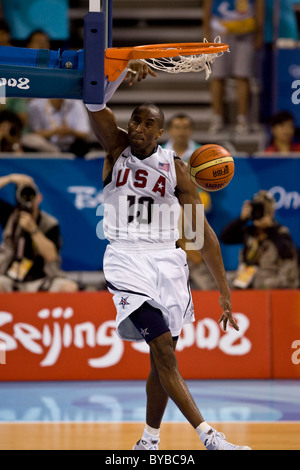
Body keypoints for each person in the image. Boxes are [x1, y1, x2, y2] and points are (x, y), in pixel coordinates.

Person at [86, 60, 251, 450]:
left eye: (147, 125)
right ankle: (209, 436)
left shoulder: (177, 171)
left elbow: (201, 234)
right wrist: (122, 70)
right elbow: (94, 101)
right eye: (135, 121)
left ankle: (149, 440)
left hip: (167, 261)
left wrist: (223, 288)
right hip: (126, 260)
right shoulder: (116, 148)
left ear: (161, 134)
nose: (139, 129)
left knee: (163, 360)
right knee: (161, 348)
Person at [0, 173, 78, 292]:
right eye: (24, 194)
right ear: (18, 197)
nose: (28, 198)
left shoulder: (50, 223)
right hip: (10, 279)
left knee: (69, 287)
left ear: (39, 197)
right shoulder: (10, 216)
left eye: (31, 193)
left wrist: (33, 230)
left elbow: (51, 255)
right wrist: (11, 178)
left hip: (42, 281)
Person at [203, 0, 264, 134]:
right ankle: (217, 117)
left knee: (243, 75)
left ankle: (242, 119)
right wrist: (206, 30)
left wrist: (260, 31)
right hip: (221, 27)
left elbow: (259, 3)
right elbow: (208, 3)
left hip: (246, 28)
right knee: (218, 75)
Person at [220, 190, 299, 289]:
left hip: (269, 285)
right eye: (256, 209)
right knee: (223, 280)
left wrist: (270, 227)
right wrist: (241, 219)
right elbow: (225, 237)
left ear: (271, 212)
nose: (258, 213)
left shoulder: (280, 234)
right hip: (246, 281)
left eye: (262, 209)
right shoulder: (249, 232)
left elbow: (290, 269)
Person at [26, 98, 91, 156]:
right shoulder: (36, 105)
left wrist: (70, 131)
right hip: (48, 146)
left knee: (82, 144)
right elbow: (34, 134)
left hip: (71, 146)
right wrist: (55, 132)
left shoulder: (76, 104)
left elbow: (85, 134)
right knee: (29, 140)